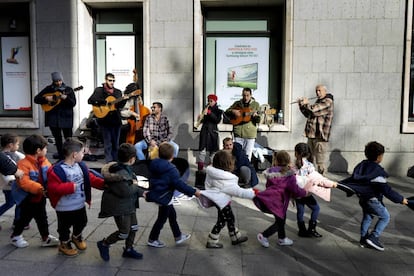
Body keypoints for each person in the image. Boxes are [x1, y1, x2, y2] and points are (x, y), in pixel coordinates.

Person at [339, 141, 409, 251]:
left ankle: (363, 239)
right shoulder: (376, 172)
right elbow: (387, 191)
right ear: (379, 157)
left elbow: (353, 179)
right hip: (373, 200)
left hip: (363, 199)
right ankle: (373, 237)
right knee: (385, 217)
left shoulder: (362, 166)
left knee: (367, 217)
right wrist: (401, 200)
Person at [47, 139, 104, 257]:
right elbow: (53, 188)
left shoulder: (81, 166)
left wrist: (104, 184)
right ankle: (64, 244)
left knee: (82, 222)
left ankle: (76, 236)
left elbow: (90, 179)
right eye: (82, 152)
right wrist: (70, 187)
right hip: (64, 207)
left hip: (79, 203)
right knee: (64, 227)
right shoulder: (56, 170)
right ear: (75, 154)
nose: (84, 155)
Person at [145, 142, 200, 248]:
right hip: (164, 196)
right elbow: (179, 185)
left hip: (158, 193)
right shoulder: (172, 169)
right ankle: (152, 239)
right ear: (172, 156)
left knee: (172, 215)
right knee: (162, 218)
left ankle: (178, 236)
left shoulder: (154, 163)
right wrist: (193, 192)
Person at [96, 143, 145, 261]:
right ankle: (104, 244)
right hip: (120, 208)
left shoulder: (126, 169)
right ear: (132, 159)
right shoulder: (119, 173)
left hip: (129, 205)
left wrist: (141, 192)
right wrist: (137, 185)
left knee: (134, 227)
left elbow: (131, 187)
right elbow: (126, 191)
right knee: (124, 232)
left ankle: (128, 249)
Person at [11, 134, 59, 248]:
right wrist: (41, 189)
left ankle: (45, 237)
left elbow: (51, 174)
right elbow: (24, 183)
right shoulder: (23, 164)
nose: (46, 150)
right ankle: (15, 236)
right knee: (24, 218)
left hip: (40, 196)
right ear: (38, 150)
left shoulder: (44, 161)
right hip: (28, 198)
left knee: (42, 217)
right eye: (45, 148)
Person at [201, 150, 256, 249]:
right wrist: (253, 193)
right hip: (222, 202)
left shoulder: (213, 172)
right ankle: (212, 240)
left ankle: (235, 237)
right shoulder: (225, 180)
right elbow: (240, 192)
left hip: (219, 200)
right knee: (222, 221)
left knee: (229, 218)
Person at [253, 150, 307, 247]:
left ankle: (282, 238)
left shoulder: (271, 172)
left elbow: (268, 185)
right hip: (280, 201)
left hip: (270, 199)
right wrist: (305, 192)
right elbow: (295, 189)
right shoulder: (289, 175)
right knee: (280, 222)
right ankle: (264, 235)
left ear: (276, 160)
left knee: (281, 219)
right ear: (288, 161)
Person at [293, 142, 337, 238]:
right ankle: (312, 229)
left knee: (300, 211)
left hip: (297, 193)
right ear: (308, 153)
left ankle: (302, 230)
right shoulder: (309, 166)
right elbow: (317, 178)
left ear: (296, 153)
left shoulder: (294, 166)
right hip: (307, 193)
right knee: (316, 208)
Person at [34, 72, 76, 160]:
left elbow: (73, 103)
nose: (59, 83)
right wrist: (46, 98)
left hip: (66, 118)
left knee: (68, 139)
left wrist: (66, 98)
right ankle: (61, 157)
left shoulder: (68, 90)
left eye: (60, 80)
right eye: (56, 81)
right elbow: (36, 99)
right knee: (58, 139)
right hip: (53, 118)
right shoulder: (48, 89)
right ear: (53, 81)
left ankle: (70, 156)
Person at [88, 73, 127, 162]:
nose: (112, 82)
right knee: (107, 143)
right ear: (105, 80)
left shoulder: (117, 92)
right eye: (110, 80)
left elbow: (119, 106)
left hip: (116, 120)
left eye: (113, 81)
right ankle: (109, 161)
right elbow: (90, 100)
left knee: (116, 143)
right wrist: (103, 102)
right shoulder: (99, 91)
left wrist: (124, 99)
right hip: (104, 120)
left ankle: (116, 161)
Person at [297, 84, 334, 175]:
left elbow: (314, 110)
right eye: (316, 91)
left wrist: (306, 103)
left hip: (320, 136)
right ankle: (310, 179)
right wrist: (301, 105)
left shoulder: (328, 101)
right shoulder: (319, 101)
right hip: (312, 135)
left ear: (325, 91)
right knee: (309, 159)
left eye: (319, 90)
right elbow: (308, 114)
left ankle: (322, 181)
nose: (317, 93)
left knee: (320, 162)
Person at [225, 87, 260, 161]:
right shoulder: (237, 103)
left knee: (247, 156)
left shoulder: (256, 105)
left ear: (251, 95)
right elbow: (226, 112)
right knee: (237, 154)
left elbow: (258, 120)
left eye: (247, 95)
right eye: (244, 95)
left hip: (250, 134)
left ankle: (246, 171)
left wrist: (255, 116)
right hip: (238, 133)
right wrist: (233, 111)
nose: (246, 97)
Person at [0, 133, 25, 230]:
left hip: (9, 186)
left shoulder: (9, 155)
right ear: (10, 145)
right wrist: (12, 181)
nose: (18, 147)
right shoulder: (7, 157)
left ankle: (17, 221)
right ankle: (17, 222)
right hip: (11, 186)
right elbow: (8, 171)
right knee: (16, 203)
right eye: (17, 145)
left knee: (14, 203)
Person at [196, 94, 223, 171]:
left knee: (213, 151)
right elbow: (204, 120)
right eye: (208, 100)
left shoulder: (219, 111)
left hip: (213, 132)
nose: (209, 102)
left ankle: (212, 168)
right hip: (204, 131)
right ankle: (200, 168)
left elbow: (217, 120)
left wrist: (210, 113)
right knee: (202, 150)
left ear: (215, 101)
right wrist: (200, 119)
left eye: (211, 101)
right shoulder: (205, 109)